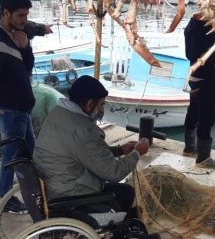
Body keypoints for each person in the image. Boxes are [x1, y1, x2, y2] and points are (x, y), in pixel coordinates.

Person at [33, 75, 150, 216]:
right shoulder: (84, 130)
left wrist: (119, 150)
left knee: (125, 191)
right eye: (101, 105)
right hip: (68, 195)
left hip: (55, 183)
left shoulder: (58, 113)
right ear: (90, 104)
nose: (101, 110)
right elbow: (114, 173)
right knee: (120, 199)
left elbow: (85, 152)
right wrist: (137, 153)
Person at [0, 0, 36, 214]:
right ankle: (5, 200)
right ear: (6, 13)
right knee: (11, 157)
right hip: (9, 111)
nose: (24, 20)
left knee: (30, 151)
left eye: (26, 15)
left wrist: (26, 48)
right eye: (20, 15)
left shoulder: (15, 35)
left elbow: (28, 67)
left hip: (21, 110)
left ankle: (33, 190)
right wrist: (18, 99)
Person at [183, 13, 215, 168]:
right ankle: (203, 159)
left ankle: (189, 148)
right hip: (207, 79)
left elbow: (193, 54)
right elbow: (210, 57)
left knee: (193, 111)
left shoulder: (191, 26)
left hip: (194, 77)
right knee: (207, 117)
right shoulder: (207, 31)